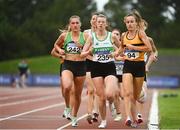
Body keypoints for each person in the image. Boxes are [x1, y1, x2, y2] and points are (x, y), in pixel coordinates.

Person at [81, 14, 120, 129]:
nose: (101, 24)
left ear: (106, 24)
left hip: (109, 67)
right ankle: (103, 120)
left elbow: (122, 48)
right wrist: (89, 51)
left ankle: (112, 103)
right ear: (96, 24)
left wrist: (115, 53)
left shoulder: (112, 36)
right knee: (101, 97)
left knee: (109, 94)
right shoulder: (91, 37)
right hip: (96, 68)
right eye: (99, 22)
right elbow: (82, 54)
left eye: (103, 22)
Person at [53, 15, 88, 127]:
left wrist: (82, 48)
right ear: (70, 25)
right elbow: (55, 45)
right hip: (67, 64)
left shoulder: (85, 36)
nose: (75, 25)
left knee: (77, 95)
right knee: (67, 86)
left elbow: (90, 52)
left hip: (81, 65)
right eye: (73, 23)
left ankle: (74, 116)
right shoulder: (64, 36)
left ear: (80, 24)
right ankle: (67, 107)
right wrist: (60, 51)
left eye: (77, 23)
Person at [119, 10, 152, 128]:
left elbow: (148, 48)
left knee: (136, 96)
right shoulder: (123, 35)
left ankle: (142, 93)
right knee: (127, 93)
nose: (129, 24)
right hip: (128, 65)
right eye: (127, 22)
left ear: (136, 23)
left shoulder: (141, 34)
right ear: (125, 23)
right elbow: (121, 48)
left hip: (139, 67)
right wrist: (114, 54)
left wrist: (133, 47)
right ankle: (130, 118)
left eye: (132, 22)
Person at [136, 19, 158, 124]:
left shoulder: (149, 39)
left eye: (143, 26)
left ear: (146, 27)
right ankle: (133, 113)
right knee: (131, 93)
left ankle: (139, 114)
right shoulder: (132, 38)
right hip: (130, 67)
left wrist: (148, 65)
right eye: (139, 26)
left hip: (142, 68)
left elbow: (154, 51)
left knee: (142, 93)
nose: (141, 28)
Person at [51, 44, 75, 120]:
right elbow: (53, 52)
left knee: (73, 91)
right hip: (64, 66)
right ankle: (67, 106)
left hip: (77, 66)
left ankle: (69, 111)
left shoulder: (80, 39)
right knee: (65, 90)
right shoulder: (64, 41)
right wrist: (61, 56)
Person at [84, 12, 99, 124]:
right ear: (90, 21)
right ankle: (89, 113)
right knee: (90, 90)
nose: (94, 21)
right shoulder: (86, 33)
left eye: (97, 19)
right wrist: (91, 55)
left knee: (98, 91)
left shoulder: (103, 34)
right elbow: (83, 50)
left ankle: (96, 111)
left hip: (100, 63)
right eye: (93, 19)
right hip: (88, 63)